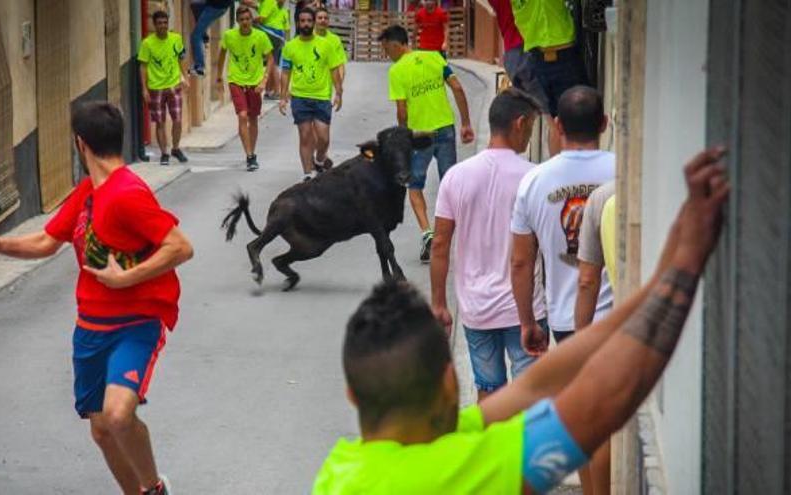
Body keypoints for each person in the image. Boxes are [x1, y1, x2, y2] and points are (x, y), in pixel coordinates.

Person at [312, 146, 731, 493]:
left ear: (353, 394)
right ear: (447, 381)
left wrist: (659, 275)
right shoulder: (453, 476)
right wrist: (688, 266)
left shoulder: (341, 471)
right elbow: (601, 403)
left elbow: (538, 383)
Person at [0, 102, 195, 495]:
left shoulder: (127, 193)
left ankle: (155, 488)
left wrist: (127, 278)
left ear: (80, 143)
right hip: (91, 328)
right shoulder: (88, 191)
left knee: (118, 415)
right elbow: (45, 241)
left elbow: (180, 246)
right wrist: (0, 245)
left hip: (136, 323)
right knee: (102, 431)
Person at [430, 89, 547, 401]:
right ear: (520, 123)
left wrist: (439, 303)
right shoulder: (534, 178)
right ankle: (519, 450)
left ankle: (492, 448)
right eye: (532, 127)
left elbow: (439, 244)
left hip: (476, 307)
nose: (529, 135)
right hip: (526, 309)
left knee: (489, 391)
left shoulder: (456, 177)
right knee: (527, 395)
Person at [510, 85, 614, 349]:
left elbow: (521, 263)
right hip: (619, 318)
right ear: (604, 124)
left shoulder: (533, 181)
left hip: (566, 321)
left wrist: (527, 323)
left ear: (558, 126)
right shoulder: (624, 171)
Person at [378, 25, 474, 263]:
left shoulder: (397, 71)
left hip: (419, 136)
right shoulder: (435, 58)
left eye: (385, 47)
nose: (385, 53)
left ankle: (428, 233)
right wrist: (466, 123)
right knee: (450, 183)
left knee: (414, 185)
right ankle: (461, 238)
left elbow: (402, 109)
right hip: (445, 129)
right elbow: (458, 88)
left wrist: (403, 136)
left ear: (395, 43)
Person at [571, 179, 616, 495]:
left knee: (595, 428)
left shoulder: (604, 197)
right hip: (634, 327)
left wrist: (579, 339)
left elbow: (588, 280)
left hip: (602, 333)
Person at [510, 0, 590, 156]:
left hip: (549, 58)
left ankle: (565, 172)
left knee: (562, 122)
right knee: (565, 122)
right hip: (551, 58)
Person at [279, 7, 344, 181]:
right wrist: (283, 96)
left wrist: (339, 92)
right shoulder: (290, 47)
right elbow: (285, 72)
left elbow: (334, 70)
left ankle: (319, 160)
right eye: (302, 21)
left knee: (323, 138)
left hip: (322, 97)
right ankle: (308, 174)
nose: (306, 24)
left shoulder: (326, 45)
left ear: (314, 23)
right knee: (305, 135)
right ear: (298, 23)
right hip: (300, 97)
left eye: (309, 21)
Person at [217, 7, 275, 171]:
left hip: (255, 83)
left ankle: (252, 152)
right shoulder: (229, 36)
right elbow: (221, 55)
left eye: (247, 19)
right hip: (236, 81)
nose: (245, 22)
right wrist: (219, 77)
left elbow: (270, 59)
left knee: (253, 119)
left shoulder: (260, 36)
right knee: (242, 116)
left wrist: (264, 80)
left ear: (251, 20)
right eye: (242, 20)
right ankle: (249, 156)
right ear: (237, 21)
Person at [138, 10, 190, 166]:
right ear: (154, 25)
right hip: (156, 88)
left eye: (165, 23)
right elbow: (143, 67)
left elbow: (181, 59)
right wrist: (144, 89)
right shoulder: (147, 43)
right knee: (160, 122)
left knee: (178, 120)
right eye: (160, 23)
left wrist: (185, 77)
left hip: (174, 85)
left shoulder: (176, 39)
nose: (163, 26)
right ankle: (164, 153)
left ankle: (175, 148)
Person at [189, 0, 259, 76]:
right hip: (215, 5)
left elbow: (244, 1)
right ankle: (204, 38)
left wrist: (257, 6)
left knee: (196, 35)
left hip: (215, 9)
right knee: (195, 5)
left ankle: (199, 67)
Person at [256, 0, 291, 99]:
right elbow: (287, 29)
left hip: (271, 33)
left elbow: (262, 18)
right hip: (280, 36)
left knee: (273, 63)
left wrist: (252, 20)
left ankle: (276, 91)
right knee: (271, 63)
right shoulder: (283, 11)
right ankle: (269, 90)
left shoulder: (269, 2)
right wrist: (287, 43)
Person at [314, 7, 348, 88]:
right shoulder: (307, 38)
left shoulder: (335, 40)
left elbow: (340, 65)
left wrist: (339, 88)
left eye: (326, 18)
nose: (323, 20)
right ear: (314, 20)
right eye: (320, 18)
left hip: (325, 89)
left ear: (328, 21)